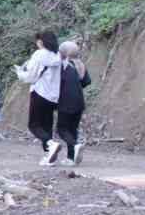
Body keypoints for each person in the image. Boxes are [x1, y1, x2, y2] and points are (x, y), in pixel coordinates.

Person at [13, 31, 62, 161]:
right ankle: (49, 156)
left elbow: (31, 77)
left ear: (41, 41)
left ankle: (51, 145)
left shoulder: (39, 54)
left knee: (33, 125)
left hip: (39, 93)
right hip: (53, 96)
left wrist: (19, 73)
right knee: (46, 125)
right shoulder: (57, 55)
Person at [49, 40, 90, 166]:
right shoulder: (80, 64)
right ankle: (71, 158)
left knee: (61, 129)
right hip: (79, 101)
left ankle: (75, 146)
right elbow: (86, 81)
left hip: (66, 101)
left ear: (63, 53)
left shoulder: (62, 66)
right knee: (72, 130)